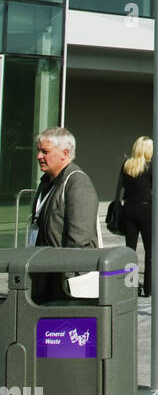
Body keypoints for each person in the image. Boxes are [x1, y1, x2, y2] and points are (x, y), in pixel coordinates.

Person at [29, 127, 99, 303]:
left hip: (66, 283)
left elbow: (79, 238)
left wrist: (65, 273)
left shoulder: (77, 182)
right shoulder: (46, 182)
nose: (39, 156)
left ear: (64, 153)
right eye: (38, 150)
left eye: (45, 151)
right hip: (44, 277)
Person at [119, 135, 153, 297]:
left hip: (129, 209)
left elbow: (121, 187)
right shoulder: (151, 166)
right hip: (147, 209)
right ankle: (149, 287)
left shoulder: (127, 165)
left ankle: (130, 286)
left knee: (130, 250)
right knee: (150, 250)